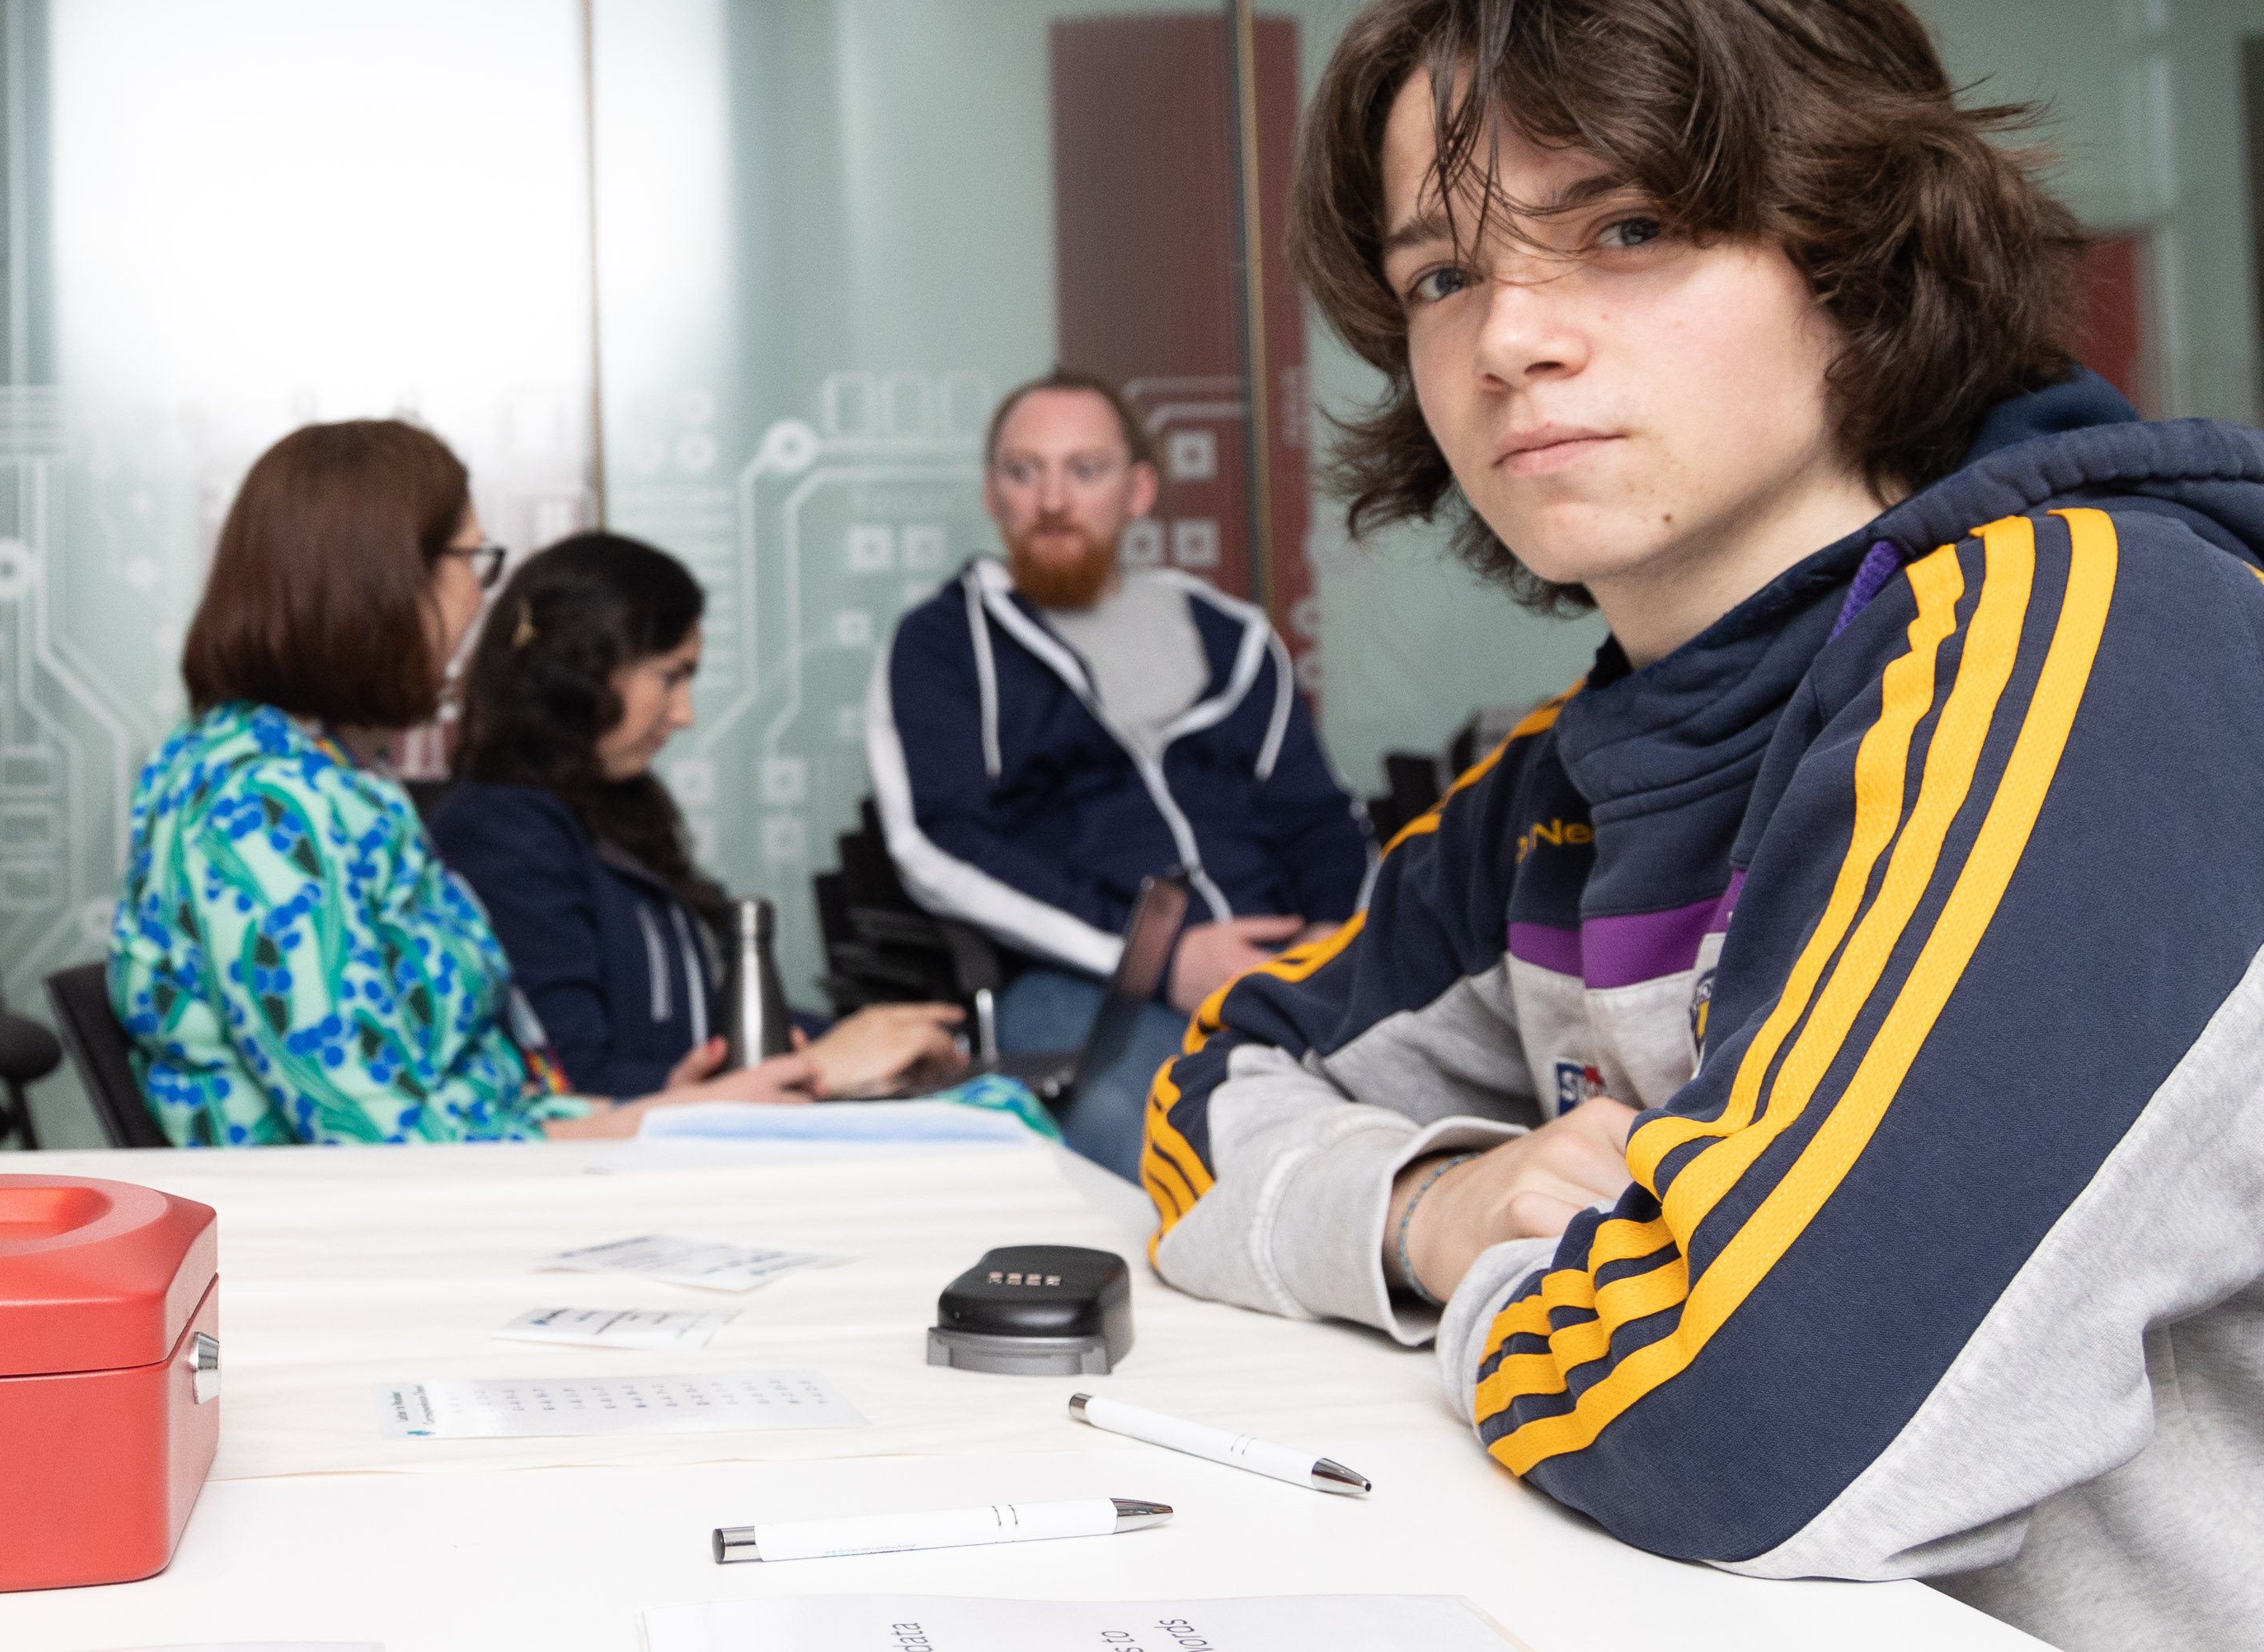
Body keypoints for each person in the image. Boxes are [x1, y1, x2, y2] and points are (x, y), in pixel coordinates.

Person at [1145, 0, 2264, 1652]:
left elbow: (1728, 1412)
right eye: (1440, 273)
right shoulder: (1568, 773)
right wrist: (1437, 1207)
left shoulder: (2093, 638)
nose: (1508, 336)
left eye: (1622, 228)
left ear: (1852, 255)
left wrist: (1641, 1270)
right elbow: (1199, 1102)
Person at [106, 424, 816, 1144]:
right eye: (474, 560)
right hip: (361, 1237)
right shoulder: (259, 807)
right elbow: (377, 1140)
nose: (483, 600)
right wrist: (639, 1125)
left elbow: (465, 1099)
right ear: (388, 578)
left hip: (443, 1205)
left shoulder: (343, 780)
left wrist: (665, 1111)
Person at [867, 367, 1370, 1169]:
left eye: (1085, 470)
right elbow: (940, 845)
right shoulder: (944, 644)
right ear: (993, 494)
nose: (1053, 499)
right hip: (1086, 983)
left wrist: (1324, 944)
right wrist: (1161, 960)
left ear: (1138, 491)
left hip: (1292, 968)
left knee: (1408, 1131)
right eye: (1023, 471)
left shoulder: (1230, 636)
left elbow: (1316, 817)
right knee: (1187, 1159)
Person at [428, 530, 967, 1101]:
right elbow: (571, 1086)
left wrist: (868, 1037)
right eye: (670, 676)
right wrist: (823, 1066)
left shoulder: (616, 813)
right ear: (582, 668)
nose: (684, 714)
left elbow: (702, 1032)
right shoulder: (500, 834)